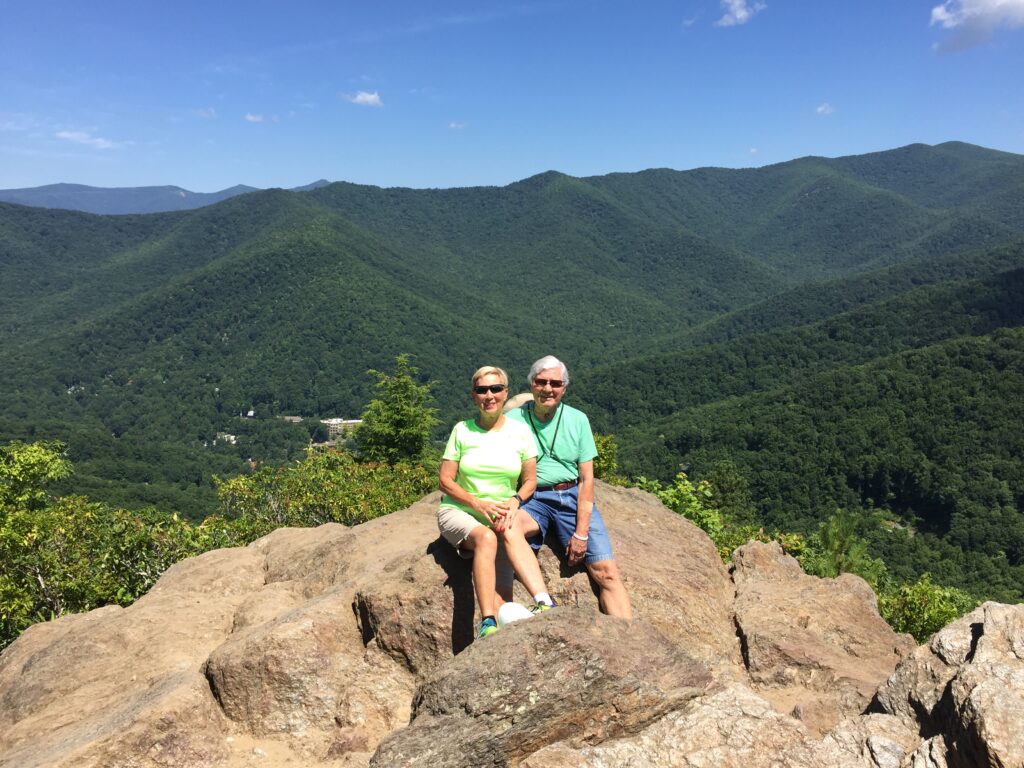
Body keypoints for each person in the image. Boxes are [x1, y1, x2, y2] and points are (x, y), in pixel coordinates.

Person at [505, 355, 633, 619]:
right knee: (508, 525)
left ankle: (628, 637)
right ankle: (543, 600)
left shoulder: (577, 420)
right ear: (531, 384)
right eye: (541, 382)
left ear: (564, 387)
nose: (548, 389)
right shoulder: (513, 420)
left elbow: (587, 479)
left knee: (606, 573)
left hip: (571, 494)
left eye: (555, 383)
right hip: (533, 497)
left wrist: (581, 533)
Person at [437, 366, 555, 638]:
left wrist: (515, 501)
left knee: (504, 598)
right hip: (459, 511)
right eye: (482, 390)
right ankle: (486, 621)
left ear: (505, 394)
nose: (489, 395)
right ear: (473, 395)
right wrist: (478, 504)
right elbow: (445, 481)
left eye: (495, 389)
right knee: (486, 539)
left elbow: (530, 481)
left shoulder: (520, 432)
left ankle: (538, 605)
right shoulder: (462, 431)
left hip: (500, 514)